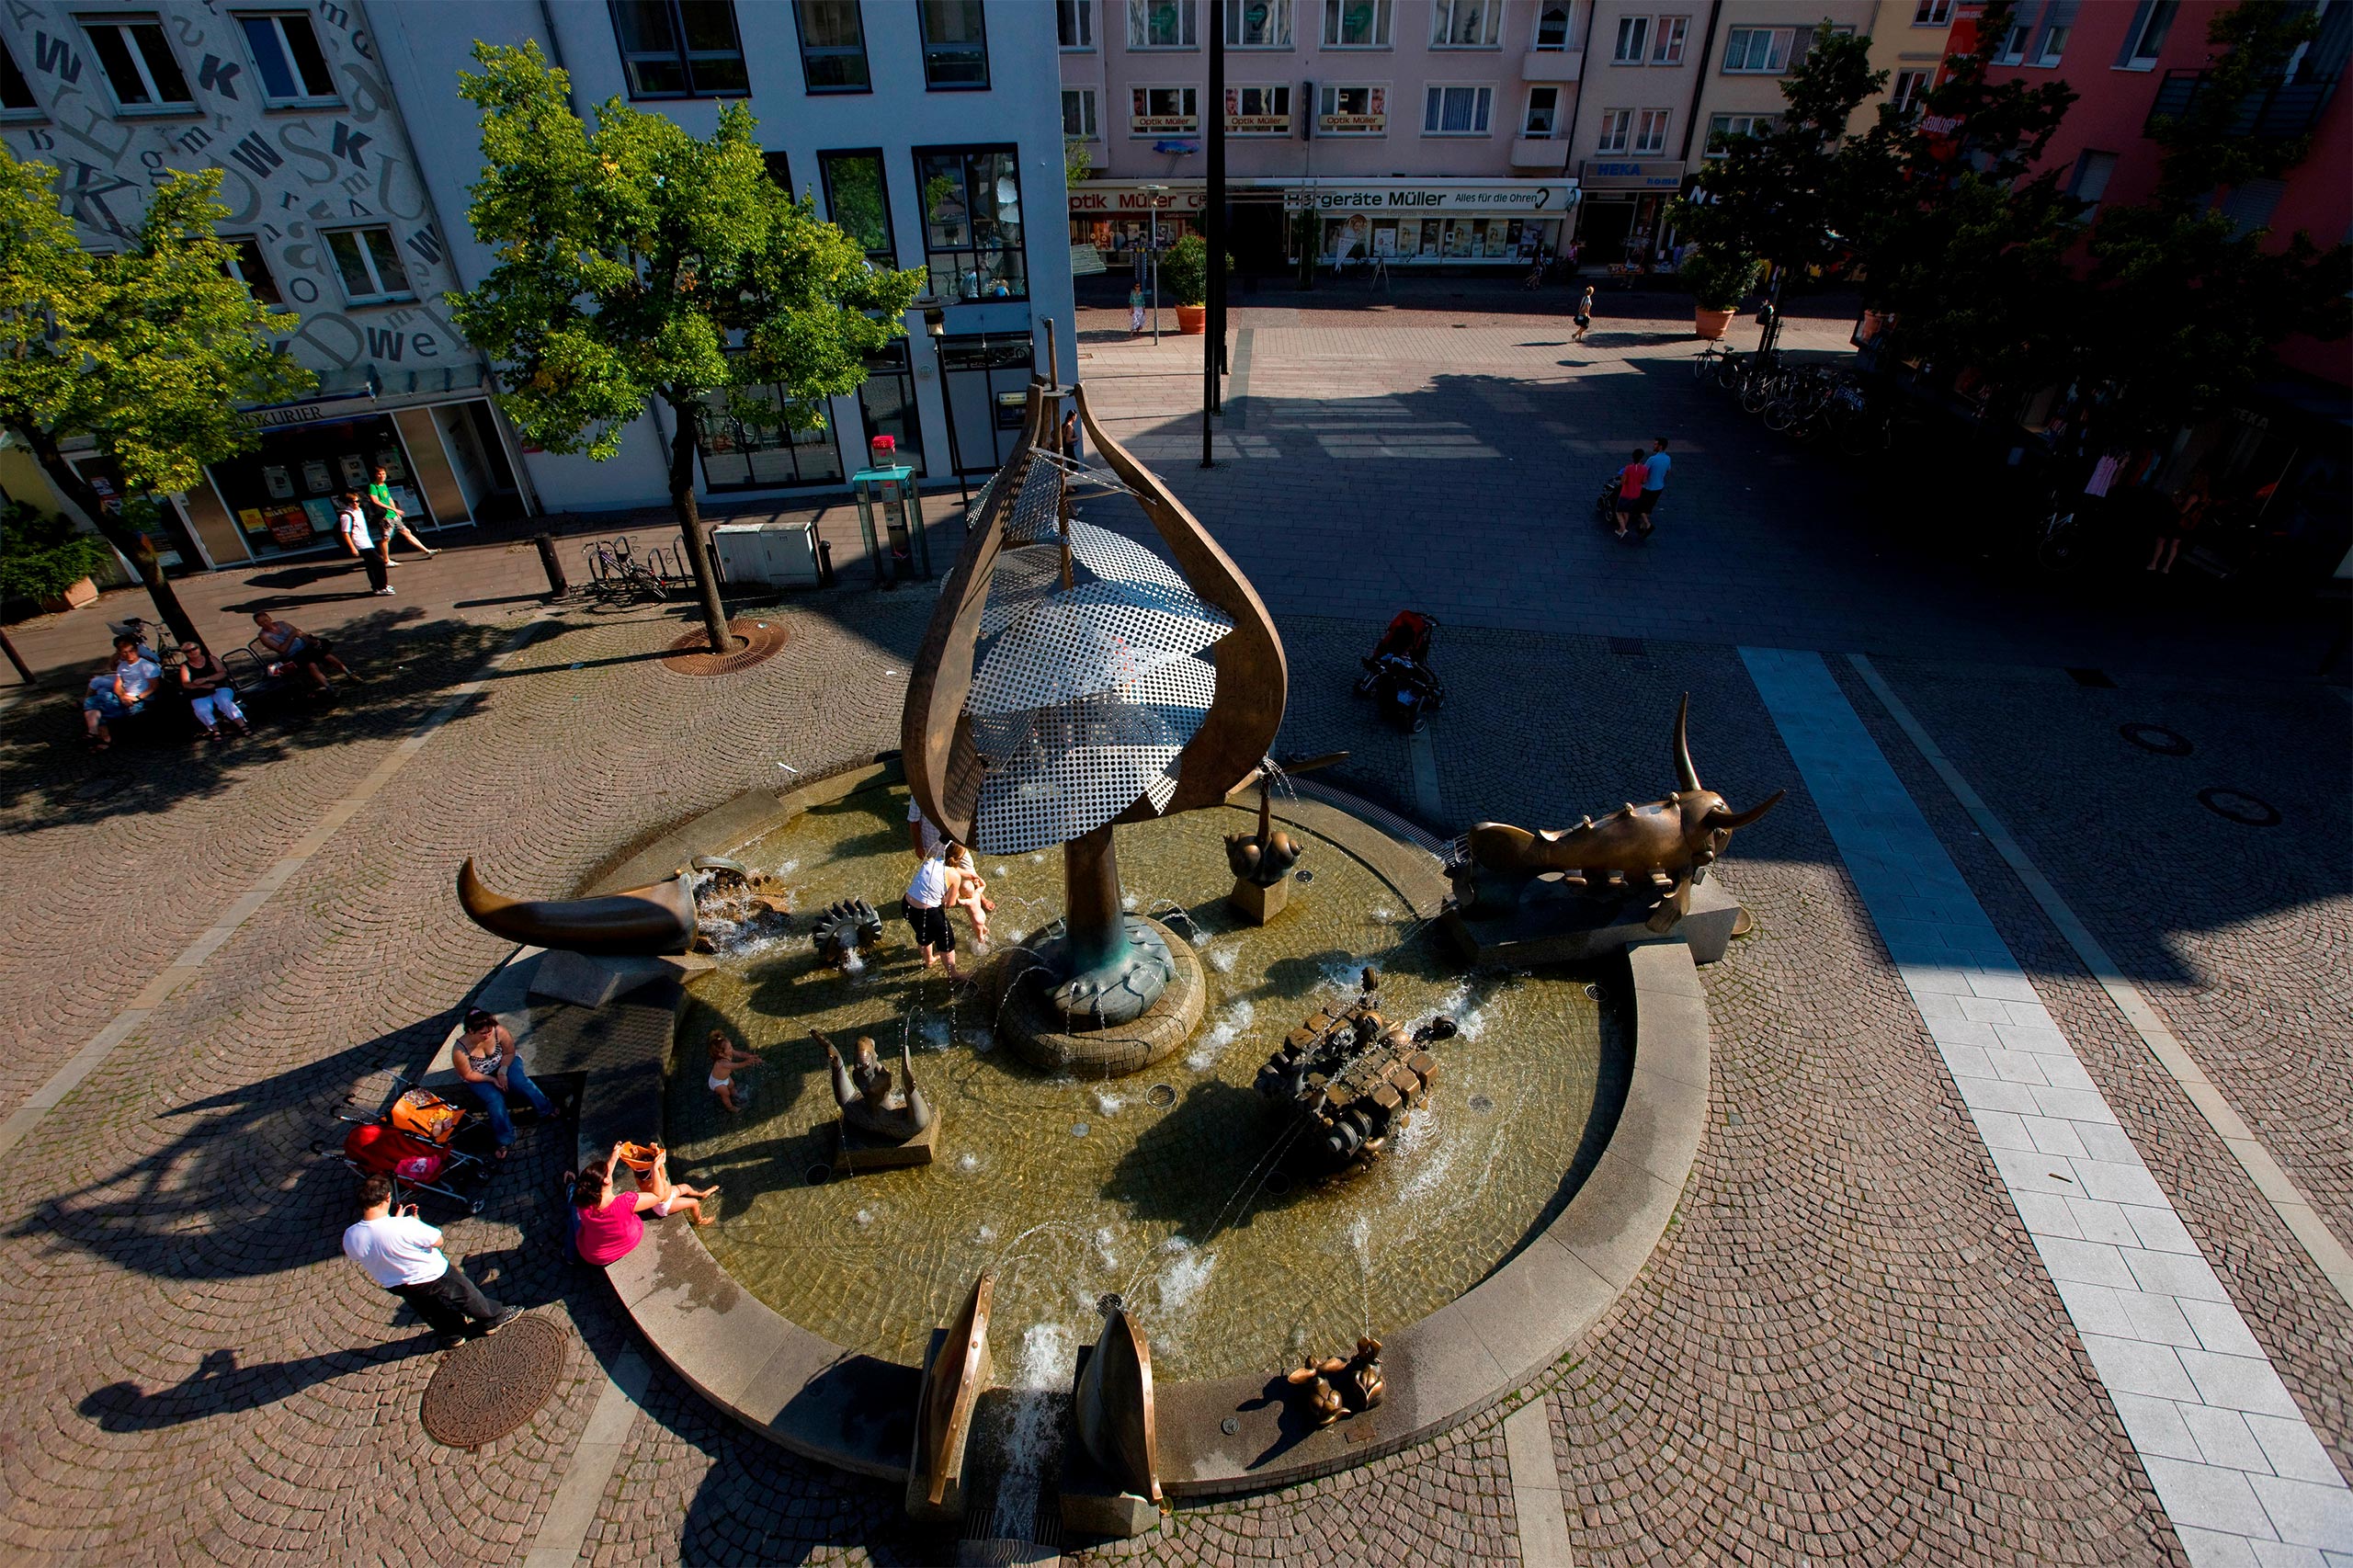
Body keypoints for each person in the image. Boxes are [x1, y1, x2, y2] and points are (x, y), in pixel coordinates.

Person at [342, 1172, 518, 1349]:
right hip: (432, 1274)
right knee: (466, 1295)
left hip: (395, 1283)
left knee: (431, 1310)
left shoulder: (350, 1235)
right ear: (387, 1198)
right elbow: (437, 1241)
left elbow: (363, 1251)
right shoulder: (404, 1225)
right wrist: (416, 1222)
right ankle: (492, 1319)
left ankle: (454, 1335)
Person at [571, 1142, 710, 1267]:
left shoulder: (583, 1203)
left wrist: (614, 1158)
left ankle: (569, 1255)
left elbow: (604, 1178)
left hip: (591, 1254)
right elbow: (657, 1196)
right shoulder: (626, 1202)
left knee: (572, 1199)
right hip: (627, 1243)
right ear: (607, 1181)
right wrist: (655, 1168)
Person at [449, 1006, 554, 1160]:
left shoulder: (499, 1032)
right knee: (494, 1099)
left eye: (489, 1031)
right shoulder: (460, 1050)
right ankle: (505, 1137)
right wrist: (491, 1079)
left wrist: (502, 1071)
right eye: (482, 1033)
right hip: (479, 1075)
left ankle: (545, 1108)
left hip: (505, 1062)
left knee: (520, 1082)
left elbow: (509, 1051)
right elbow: (468, 1074)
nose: (487, 1035)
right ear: (470, 1031)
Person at [82, 633, 163, 751]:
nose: (129, 654)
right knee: (91, 702)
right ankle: (95, 733)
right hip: (124, 697)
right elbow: (118, 685)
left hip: (139, 700)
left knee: (99, 712)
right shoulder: (123, 666)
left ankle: (103, 739)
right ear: (121, 654)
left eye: (131, 651)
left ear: (136, 650)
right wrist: (122, 696)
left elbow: (154, 686)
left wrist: (138, 698)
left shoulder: (146, 665)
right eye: (125, 652)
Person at [253, 611, 354, 694]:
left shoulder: (282, 624)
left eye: (266, 620)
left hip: (305, 647)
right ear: (258, 625)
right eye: (262, 623)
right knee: (311, 665)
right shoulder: (264, 636)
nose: (265, 624)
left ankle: (349, 674)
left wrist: (313, 641)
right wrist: (292, 636)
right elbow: (282, 649)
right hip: (293, 655)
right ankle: (329, 687)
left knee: (327, 656)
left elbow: (300, 634)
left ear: (270, 618)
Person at [904, 845, 961, 980]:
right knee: (947, 942)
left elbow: (945, 870)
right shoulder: (955, 876)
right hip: (928, 913)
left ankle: (929, 960)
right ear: (960, 858)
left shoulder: (931, 861)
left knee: (923, 933)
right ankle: (953, 975)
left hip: (907, 904)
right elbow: (949, 903)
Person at [176, 637, 251, 741]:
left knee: (224, 701)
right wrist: (202, 686)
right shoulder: (185, 666)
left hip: (219, 687)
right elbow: (186, 684)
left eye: (194, 649)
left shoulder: (211, 659)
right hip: (200, 692)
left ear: (199, 649)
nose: (192, 652)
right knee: (201, 709)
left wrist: (206, 679)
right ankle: (215, 729)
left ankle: (241, 724)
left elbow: (222, 673)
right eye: (188, 651)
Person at [368, 465, 436, 564]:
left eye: (383, 474)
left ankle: (427, 551)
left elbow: (389, 499)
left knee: (406, 532)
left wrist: (396, 511)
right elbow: (375, 501)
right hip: (384, 517)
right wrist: (391, 509)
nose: (382, 476)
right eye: (379, 474)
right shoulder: (373, 487)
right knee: (386, 538)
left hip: (393, 515)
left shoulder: (384, 485)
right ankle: (386, 560)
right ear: (375, 475)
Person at [337, 488, 392, 597]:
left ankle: (377, 587)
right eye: (353, 502)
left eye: (357, 501)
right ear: (348, 503)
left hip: (366, 540)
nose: (356, 503)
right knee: (379, 562)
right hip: (359, 543)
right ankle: (382, 586)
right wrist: (353, 548)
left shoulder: (359, 511)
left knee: (371, 565)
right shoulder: (346, 516)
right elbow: (345, 533)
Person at [2147, 479, 2206, 574]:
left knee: (2161, 540)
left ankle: (2154, 564)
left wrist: (2175, 502)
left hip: (2177, 522)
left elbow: (2183, 511)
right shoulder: (2199, 497)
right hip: (2183, 524)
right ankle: (2166, 567)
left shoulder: (2193, 496)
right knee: (2174, 544)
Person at [944, 841, 994, 949]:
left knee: (979, 935)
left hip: (976, 920)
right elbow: (983, 885)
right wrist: (977, 879)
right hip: (982, 916)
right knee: (982, 927)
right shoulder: (977, 893)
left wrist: (955, 892)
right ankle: (986, 930)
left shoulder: (967, 902)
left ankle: (982, 946)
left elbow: (956, 902)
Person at [706, 1028, 759, 1112]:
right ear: (721, 1053)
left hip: (725, 1077)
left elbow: (740, 1054)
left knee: (732, 1085)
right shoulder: (722, 1063)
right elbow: (737, 1065)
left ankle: (734, 1094)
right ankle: (730, 1108)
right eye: (729, 1048)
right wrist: (747, 1062)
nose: (732, 1049)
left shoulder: (729, 1053)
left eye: (731, 1046)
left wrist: (749, 1056)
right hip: (717, 1082)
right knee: (725, 1094)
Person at [1635, 437, 1672, 534]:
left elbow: (1643, 471)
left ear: (1660, 446)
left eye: (1655, 444)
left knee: (1639, 507)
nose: (1653, 446)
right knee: (1649, 507)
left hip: (1648, 487)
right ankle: (1641, 526)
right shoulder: (1668, 458)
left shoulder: (1652, 459)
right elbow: (1668, 471)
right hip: (1659, 487)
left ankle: (1647, 524)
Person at [1613, 448, 1650, 540]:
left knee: (1618, 512)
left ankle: (1623, 529)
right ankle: (1621, 530)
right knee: (1626, 512)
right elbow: (1644, 481)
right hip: (1636, 494)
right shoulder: (1644, 469)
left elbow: (1623, 482)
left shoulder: (1628, 468)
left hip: (1626, 493)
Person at [907, 796, 944, 860]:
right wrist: (918, 847)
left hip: (955, 846)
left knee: (967, 869)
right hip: (933, 847)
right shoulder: (919, 794)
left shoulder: (956, 790)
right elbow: (914, 823)